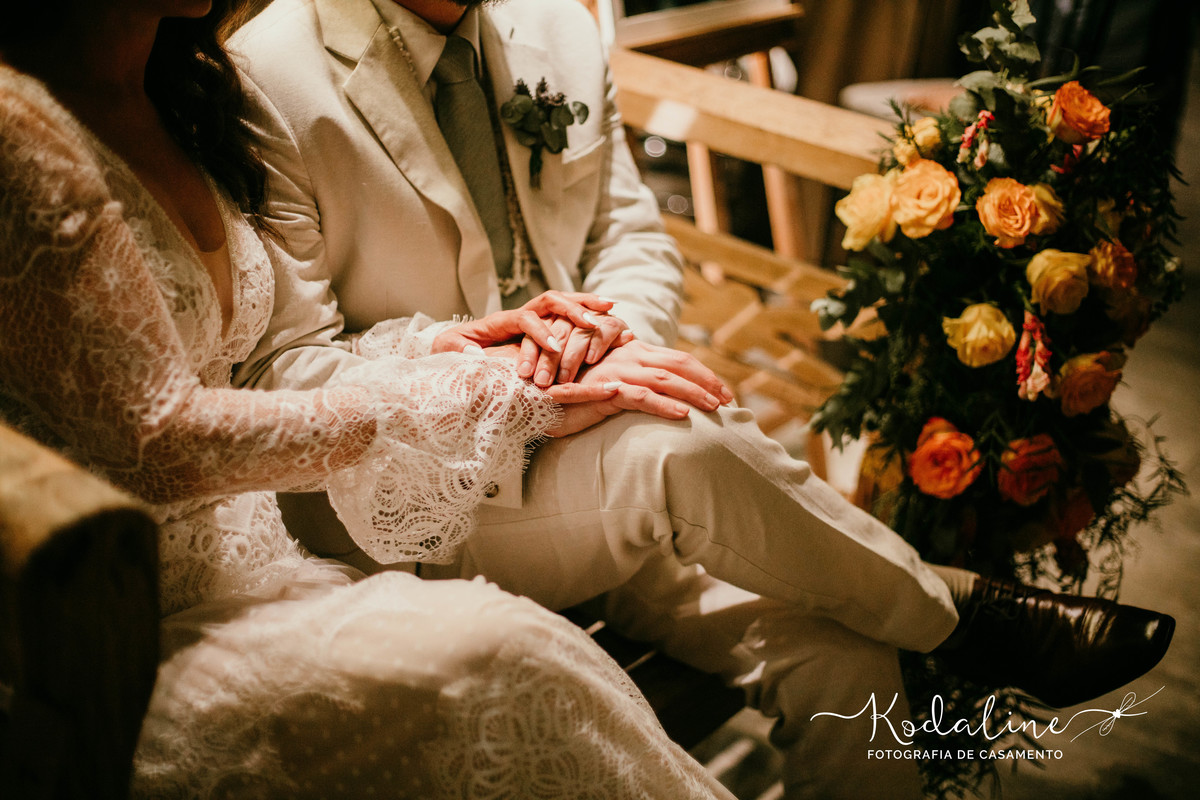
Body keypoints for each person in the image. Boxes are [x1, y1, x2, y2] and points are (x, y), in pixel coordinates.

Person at [230, 1, 1175, 797]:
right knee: (680, 446)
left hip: (608, 460)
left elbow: (631, 233)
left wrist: (611, 345)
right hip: (419, 500)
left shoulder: (554, 18)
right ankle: (960, 619)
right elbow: (285, 371)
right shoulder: (268, 70)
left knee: (848, 662)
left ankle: (929, 624)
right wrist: (526, 384)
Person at [0, 1, 746, 797]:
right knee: (510, 653)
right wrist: (488, 397)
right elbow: (158, 440)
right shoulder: (20, 126)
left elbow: (246, 347)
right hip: (112, 629)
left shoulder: (183, 88)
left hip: (266, 569)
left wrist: (455, 347)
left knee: (575, 620)